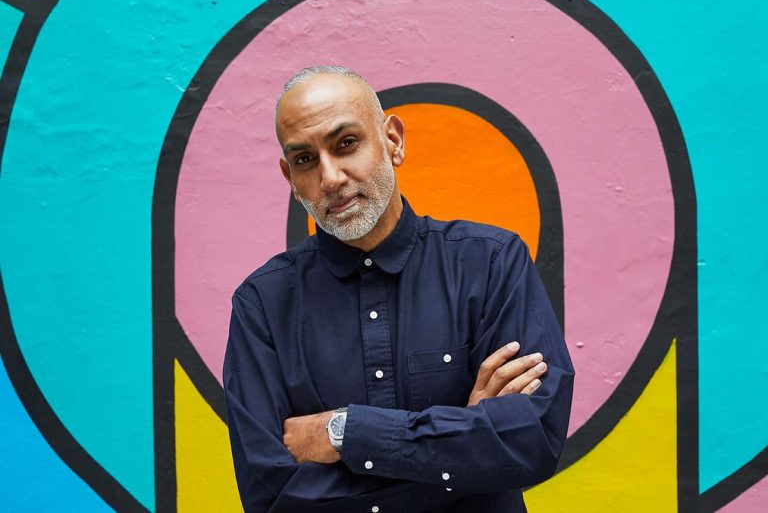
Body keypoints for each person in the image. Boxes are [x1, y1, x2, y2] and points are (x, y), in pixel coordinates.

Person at [223, 66, 574, 512]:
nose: (330, 177)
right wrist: (463, 444)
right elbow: (271, 498)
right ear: (290, 177)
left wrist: (346, 433)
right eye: (305, 160)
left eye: (345, 143)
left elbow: (530, 443)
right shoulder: (263, 306)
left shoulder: (490, 264)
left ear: (392, 140)